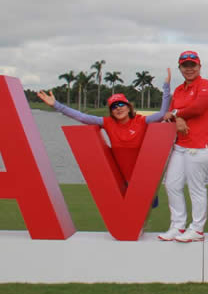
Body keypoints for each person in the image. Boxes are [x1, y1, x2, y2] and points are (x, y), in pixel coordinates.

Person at [36, 70, 171, 214]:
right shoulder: (107, 123)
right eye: (113, 106)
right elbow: (82, 117)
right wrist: (56, 105)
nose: (118, 108)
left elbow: (162, 114)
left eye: (120, 104)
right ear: (111, 112)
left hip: (143, 178)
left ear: (128, 106)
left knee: (143, 211)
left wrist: (166, 86)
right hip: (121, 179)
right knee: (127, 213)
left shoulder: (142, 121)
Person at [158, 51, 208, 243]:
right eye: (185, 65)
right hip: (181, 145)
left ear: (200, 67)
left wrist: (177, 115)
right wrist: (176, 116)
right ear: (180, 68)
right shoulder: (179, 91)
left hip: (200, 146)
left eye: (193, 65)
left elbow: (198, 107)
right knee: (172, 185)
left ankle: (197, 229)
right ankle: (178, 225)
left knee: (196, 188)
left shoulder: (205, 85)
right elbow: (168, 115)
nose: (189, 68)